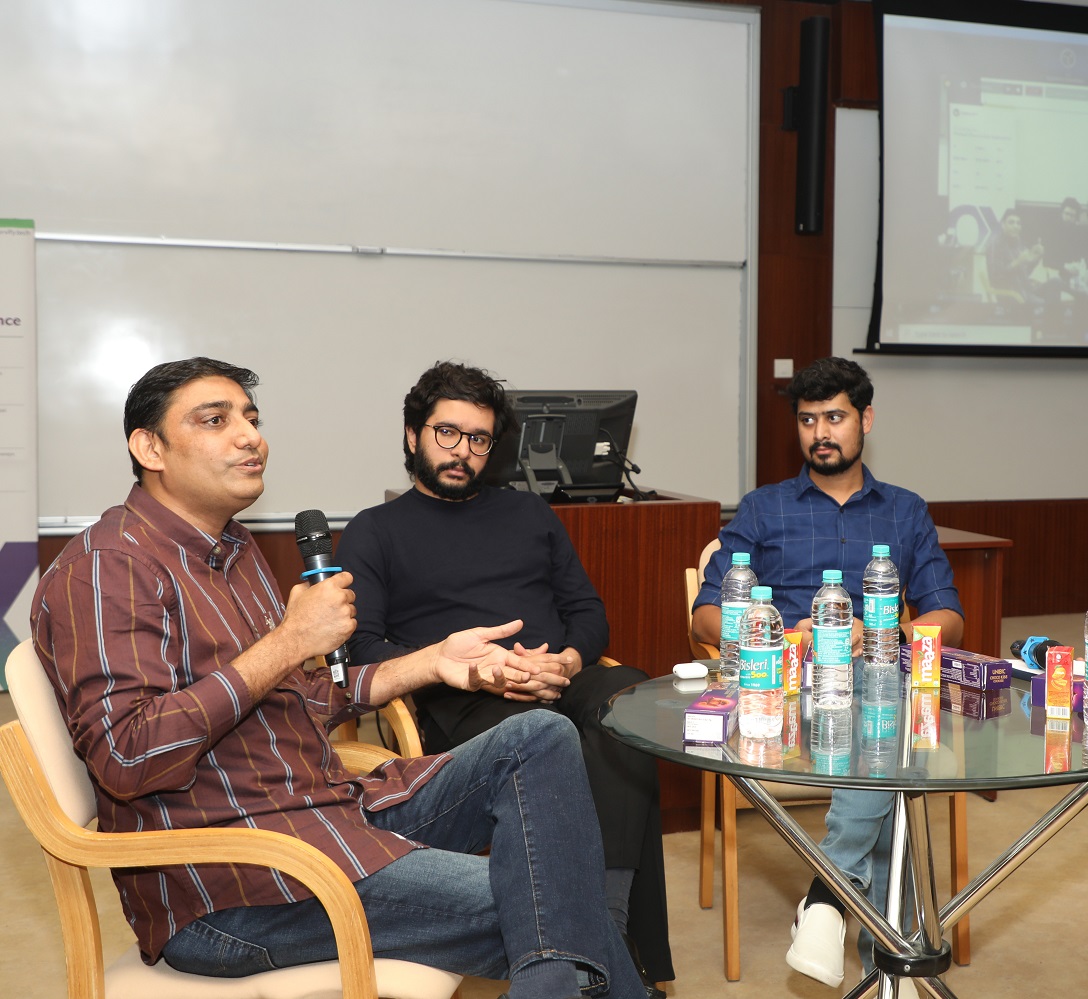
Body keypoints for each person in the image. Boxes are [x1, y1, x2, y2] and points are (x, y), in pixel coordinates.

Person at [30, 357, 645, 999]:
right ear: (148, 447)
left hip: (328, 813)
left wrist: (435, 660)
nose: (250, 437)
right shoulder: (106, 571)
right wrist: (289, 641)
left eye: (252, 418)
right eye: (216, 420)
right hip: (239, 883)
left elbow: (309, 695)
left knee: (539, 736)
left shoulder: (234, 551)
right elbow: (129, 755)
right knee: (559, 902)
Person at [336, 361, 672, 994]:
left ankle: (606, 927)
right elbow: (365, 649)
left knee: (626, 705)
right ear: (412, 435)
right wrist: (475, 669)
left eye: (479, 439)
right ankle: (609, 953)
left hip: (555, 676)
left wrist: (568, 662)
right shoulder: (374, 531)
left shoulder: (529, 514)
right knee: (561, 739)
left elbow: (587, 613)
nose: (463, 452)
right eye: (447, 433)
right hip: (462, 701)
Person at [691, 356, 964, 991]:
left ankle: (825, 901)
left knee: (883, 724)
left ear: (865, 420)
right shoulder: (762, 509)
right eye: (808, 420)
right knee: (892, 758)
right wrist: (780, 635)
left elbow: (947, 617)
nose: (821, 433)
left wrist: (886, 634)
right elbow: (707, 619)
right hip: (783, 695)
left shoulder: (904, 511)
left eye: (835, 417)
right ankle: (887, 969)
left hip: (874, 685)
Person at [983, 208, 1046, 305]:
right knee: (1050, 305)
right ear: (1003, 225)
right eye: (1011, 223)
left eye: (1018, 223)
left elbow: (1025, 272)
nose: (1016, 226)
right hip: (1014, 297)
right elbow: (996, 278)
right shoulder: (995, 244)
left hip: (1026, 290)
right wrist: (1018, 261)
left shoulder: (1018, 241)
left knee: (1055, 283)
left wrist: (1036, 258)